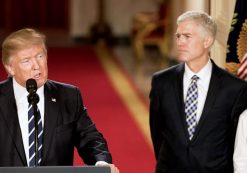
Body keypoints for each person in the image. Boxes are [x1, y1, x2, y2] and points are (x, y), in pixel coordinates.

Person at [0, 28, 119, 173]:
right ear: (10, 68)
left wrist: (101, 163)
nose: (36, 66)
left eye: (40, 56)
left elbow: (90, 138)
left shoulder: (68, 96)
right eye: (26, 61)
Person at [149, 11, 247, 173]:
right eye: (178, 36)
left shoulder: (235, 88)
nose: (180, 42)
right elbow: (157, 133)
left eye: (187, 36)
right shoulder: (161, 82)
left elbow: (235, 143)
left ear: (207, 41)